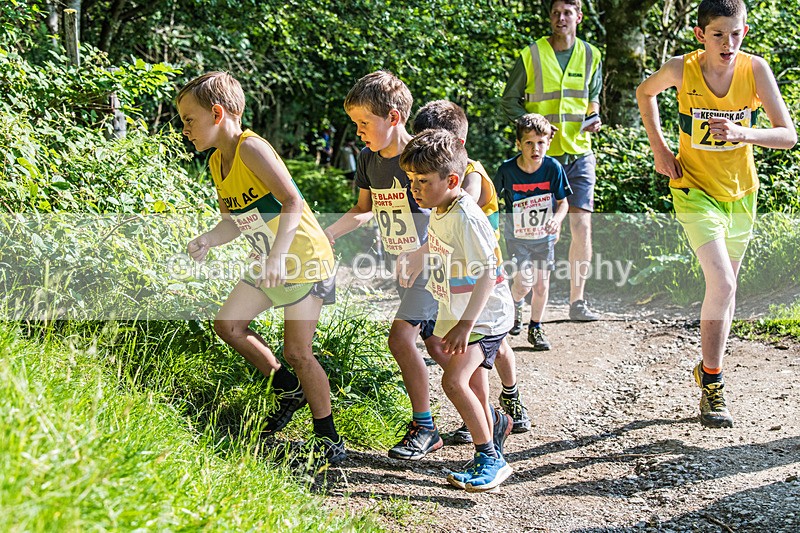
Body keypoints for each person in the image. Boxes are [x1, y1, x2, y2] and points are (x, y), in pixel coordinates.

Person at [636, 0, 796, 428]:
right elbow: (644, 93)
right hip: (693, 190)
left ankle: (707, 372)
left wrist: (745, 132)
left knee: (727, 292)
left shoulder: (755, 70)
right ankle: (714, 382)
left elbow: (788, 135)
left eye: (736, 33)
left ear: (745, 31)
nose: (729, 43)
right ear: (700, 35)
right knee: (722, 282)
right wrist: (660, 149)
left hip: (741, 194)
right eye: (719, 34)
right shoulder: (681, 69)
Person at [177, 72, 345, 464]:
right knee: (228, 326)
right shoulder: (218, 163)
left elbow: (292, 202)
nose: (184, 129)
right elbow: (235, 220)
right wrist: (208, 239)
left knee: (299, 352)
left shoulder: (252, 148)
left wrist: (278, 255)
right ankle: (288, 389)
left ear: (217, 113)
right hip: (269, 263)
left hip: (303, 261)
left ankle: (329, 439)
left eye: (189, 119)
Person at [323, 71, 448, 461]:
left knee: (400, 339)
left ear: (393, 118)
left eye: (364, 123)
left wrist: (422, 249)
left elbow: (453, 214)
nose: (358, 132)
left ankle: (424, 426)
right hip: (403, 266)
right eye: (355, 124)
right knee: (439, 347)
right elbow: (363, 209)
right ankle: (490, 417)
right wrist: (326, 234)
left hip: (433, 265)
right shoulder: (367, 159)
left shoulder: (426, 155)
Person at [400, 128, 515, 492]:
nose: (414, 188)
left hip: (485, 317)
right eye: (411, 180)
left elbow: (488, 273)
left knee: (453, 380)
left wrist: (465, 325)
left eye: (423, 181)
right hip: (459, 310)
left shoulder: (467, 216)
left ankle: (490, 459)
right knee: (466, 379)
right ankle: (494, 424)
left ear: (452, 179)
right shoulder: (440, 207)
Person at [412, 100, 531, 438]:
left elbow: (467, 201)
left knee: (497, 347)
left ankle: (510, 397)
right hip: (460, 286)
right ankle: (484, 417)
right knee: (461, 355)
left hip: (483, 282)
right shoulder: (439, 197)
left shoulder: (469, 179)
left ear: (456, 147)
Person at [501, 0, 602, 322]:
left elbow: (593, 97)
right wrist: (532, 124)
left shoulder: (592, 54)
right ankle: (518, 299)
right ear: (550, 18)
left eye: (568, 12)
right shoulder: (531, 54)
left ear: (579, 17)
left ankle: (577, 302)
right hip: (541, 157)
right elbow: (508, 101)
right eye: (556, 13)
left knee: (581, 225)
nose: (562, 18)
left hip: (580, 151)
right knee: (539, 231)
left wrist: (595, 116)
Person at [495, 114, 572, 351]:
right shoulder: (507, 170)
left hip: (544, 237)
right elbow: (489, 200)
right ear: (518, 144)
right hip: (517, 237)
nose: (535, 148)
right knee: (524, 283)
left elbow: (563, 203)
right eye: (529, 143)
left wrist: (557, 221)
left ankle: (535, 328)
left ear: (548, 142)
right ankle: (515, 304)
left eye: (540, 142)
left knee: (541, 286)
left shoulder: (553, 168)